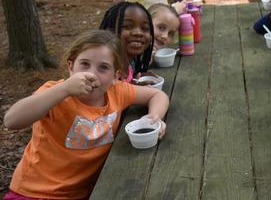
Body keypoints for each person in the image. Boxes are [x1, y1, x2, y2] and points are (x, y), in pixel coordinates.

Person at [3, 29, 169, 200]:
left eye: (103, 67)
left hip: (85, 192)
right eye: (84, 64)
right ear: (70, 68)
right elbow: (11, 120)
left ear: (116, 76)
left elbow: (157, 95)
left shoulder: (117, 91)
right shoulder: (55, 93)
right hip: (35, 192)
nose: (91, 74)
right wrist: (64, 89)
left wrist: (154, 117)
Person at [99, 2, 154, 82]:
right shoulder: (104, 66)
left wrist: (136, 78)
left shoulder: (131, 63)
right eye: (128, 26)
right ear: (109, 30)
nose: (138, 33)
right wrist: (134, 89)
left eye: (145, 28)